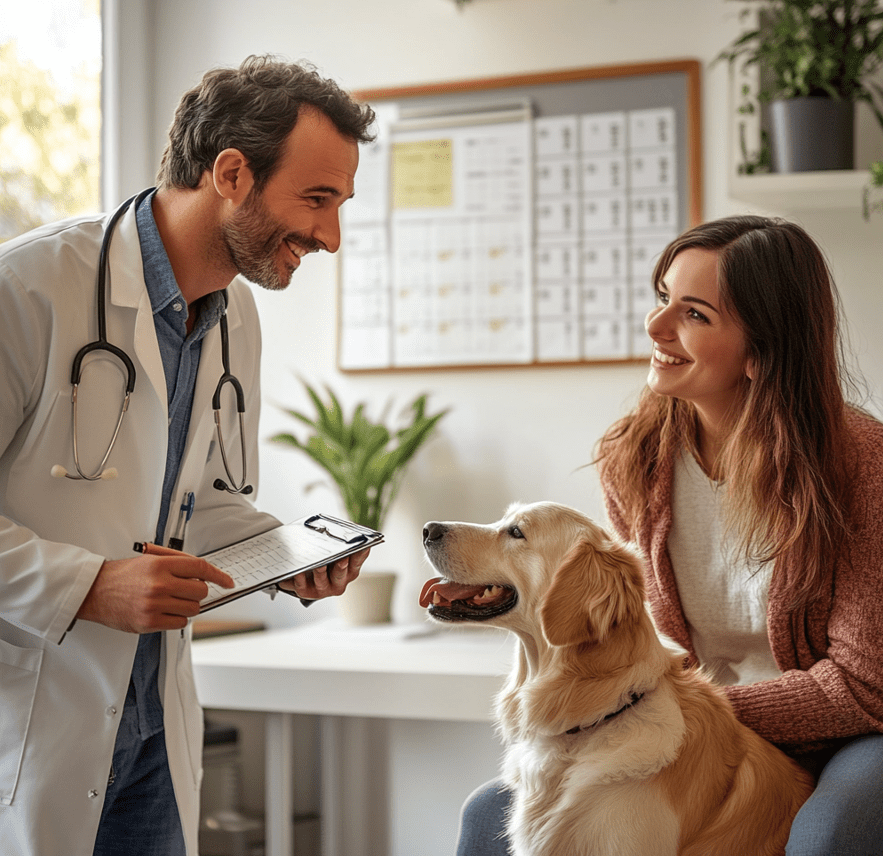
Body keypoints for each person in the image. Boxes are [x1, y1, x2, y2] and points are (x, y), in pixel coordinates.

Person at [0, 55, 376, 856]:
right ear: (232, 173)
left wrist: (282, 555)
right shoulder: (26, 289)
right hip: (30, 718)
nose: (330, 237)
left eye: (339, 205)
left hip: (149, 732)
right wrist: (87, 585)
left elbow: (193, 501)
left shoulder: (233, 316)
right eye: (317, 199)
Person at [456, 215, 883, 856]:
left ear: (761, 351)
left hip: (841, 738)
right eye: (663, 299)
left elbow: (862, 688)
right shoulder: (636, 460)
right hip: (686, 727)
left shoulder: (862, 465)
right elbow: (645, 643)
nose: (656, 328)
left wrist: (684, 713)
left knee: (826, 838)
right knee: (485, 815)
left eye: (695, 314)